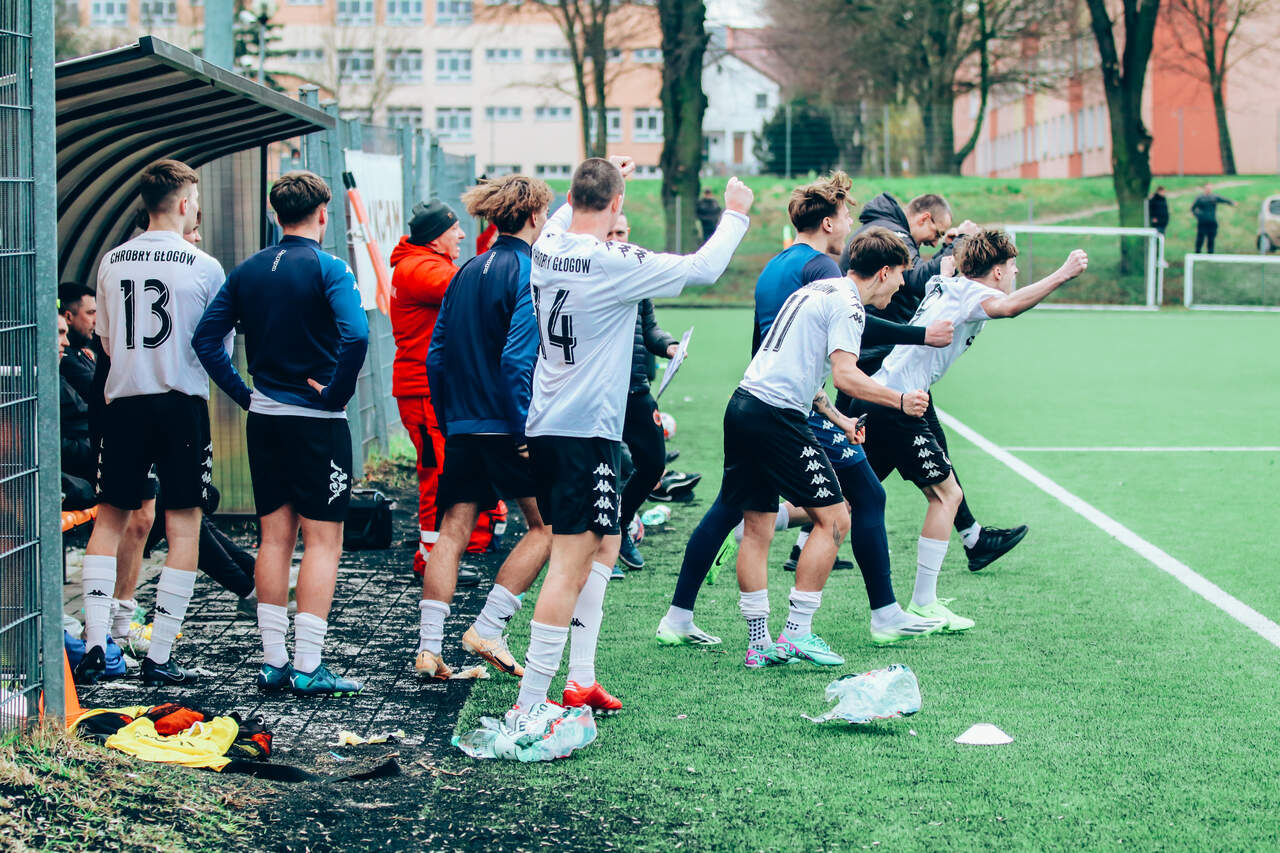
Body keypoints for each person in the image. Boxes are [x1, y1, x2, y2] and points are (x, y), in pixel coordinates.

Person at [501, 155, 754, 746]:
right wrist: (736, 214)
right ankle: (529, 704)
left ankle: (581, 678)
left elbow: (564, 213)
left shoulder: (548, 244)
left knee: (606, 541)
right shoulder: (611, 260)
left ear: (571, 198)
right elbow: (704, 268)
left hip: (554, 424)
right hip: (581, 433)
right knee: (569, 563)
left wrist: (601, 177)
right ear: (617, 204)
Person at [657, 173, 951, 648]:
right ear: (829, 223)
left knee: (736, 508)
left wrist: (838, 416)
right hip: (785, 410)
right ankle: (847, 622)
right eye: (846, 215)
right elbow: (850, 348)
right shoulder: (826, 273)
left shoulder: (778, 265)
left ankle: (688, 618)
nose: (850, 225)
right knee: (851, 506)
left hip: (758, 396)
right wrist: (914, 351)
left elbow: (780, 343)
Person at [854, 231, 1088, 632]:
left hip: (885, 395)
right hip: (899, 404)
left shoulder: (948, 282)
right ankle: (923, 603)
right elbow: (1009, 307)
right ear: (996, 272)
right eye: (1012, 267)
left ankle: (754, 523)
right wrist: (1062, 274)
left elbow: (953, 272)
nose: (1015, 273)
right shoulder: (971, 294)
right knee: (947, 495)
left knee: (842, 504)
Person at [194, 170, 370, 698]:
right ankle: (309, 666)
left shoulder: (248, 269)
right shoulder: (329, 267)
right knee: (324, 541)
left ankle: (273, 662)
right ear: (322, 214)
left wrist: (244, 394)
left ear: (275, 214)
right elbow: (357, 334)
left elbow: (206, 340)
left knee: (274, 538)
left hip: (265, 419)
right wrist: (336, 392)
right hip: (317, 423)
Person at [723, 227, 932, 668]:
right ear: (884, 271)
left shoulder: (816, 290)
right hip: (777, 416)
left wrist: (841, 420)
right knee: (835, 519)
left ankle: (759, 644)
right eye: (900, 276)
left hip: (743, 406)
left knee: (758, 528)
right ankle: (797, 633)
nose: (900, 286)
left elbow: (806, 377)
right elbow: (845, 376)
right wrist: (899, 400)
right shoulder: (849, 305)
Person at [75, 159, 225, 687]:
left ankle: (97, 645)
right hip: (180, 404)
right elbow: (216, 346)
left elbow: (106, 343)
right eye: (196, 201)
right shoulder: (204, 266)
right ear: (184, 204)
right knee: (184, 525)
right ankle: (159, 656)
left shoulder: (112, 262)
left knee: (109, 519)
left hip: (125, 403)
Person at [415, 174, 555, 687]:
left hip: (463, 425)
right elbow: (517, 361)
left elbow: (436, 356)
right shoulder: (530, 271)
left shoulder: (466, 270)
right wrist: (521, 431)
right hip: (506, 425)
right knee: (548, 527)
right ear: (535, 216)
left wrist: (450, 418)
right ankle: (489, 628)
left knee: (451, 532)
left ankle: (429, 649)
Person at [840, 191, 1027, 572]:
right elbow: (914, 280)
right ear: (923, 218)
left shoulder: (891, 232)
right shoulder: (893, 235)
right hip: (887, 379)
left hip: (894, 378)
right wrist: (957, 246)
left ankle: (972, 539)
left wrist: (950, 250)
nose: (932, 242)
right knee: (941, 492)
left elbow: (925, 280)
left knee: (857, 489)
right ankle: (932, 586)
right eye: (937, 233)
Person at [388, 200, 473, 580]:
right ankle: (431, 559)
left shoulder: (420, 263)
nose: (462, 235)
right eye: (455, 229)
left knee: (443, 471)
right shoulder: (421, 268)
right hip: (423, 391)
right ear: (436, 237)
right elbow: (471, 286)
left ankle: (441, 551)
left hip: (428, 388)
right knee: (437, 474)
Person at [606, 212, 680, 572]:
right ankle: (602, 546)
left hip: (636, 389)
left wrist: (669, 345)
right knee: (603, 469)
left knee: (652, 463)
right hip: (601, 392)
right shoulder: (588, 273)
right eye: (610, 232)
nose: (617, 238)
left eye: (622, 232)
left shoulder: (637, 272)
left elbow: (649, 328)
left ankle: (621, 523)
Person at [1192, 184, 1235, 254]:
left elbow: (1223, 200)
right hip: (1202, 222)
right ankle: (1197, 254)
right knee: (1200, 239)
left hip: (1212, 221)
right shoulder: (1200, 198)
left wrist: (1231, 202)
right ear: (1204, 189)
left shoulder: (1214, 197)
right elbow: (1193, 208)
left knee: (1211, 239)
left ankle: (1210, 255)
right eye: (1207, 188)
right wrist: (1198, 216)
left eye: (1210, 188)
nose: (1208, 190)